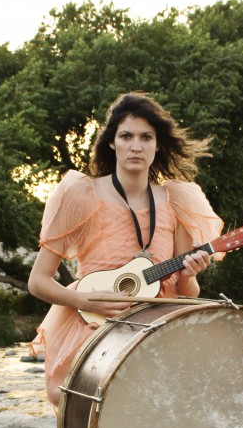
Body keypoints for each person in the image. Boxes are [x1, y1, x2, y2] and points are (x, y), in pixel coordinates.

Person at [28, 91, 225, 409]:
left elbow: (186, 291)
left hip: (157, 326)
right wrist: (85, 300)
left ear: (157, 145)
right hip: (96, 322)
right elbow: (38, 281)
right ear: (112, 142)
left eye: (146, 137)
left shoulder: (177, 201)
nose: (136, 146)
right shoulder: (81, 194)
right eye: (126, 136)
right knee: (90, 402)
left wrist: (190, 274)